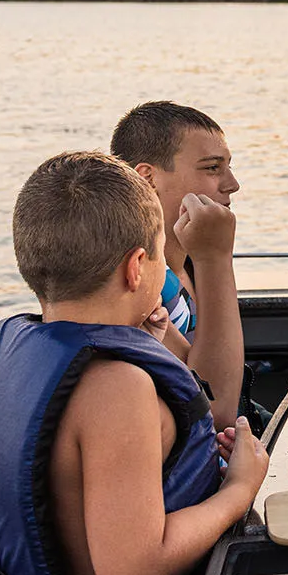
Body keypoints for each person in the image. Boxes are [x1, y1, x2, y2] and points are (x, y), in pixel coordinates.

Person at [0, 152, 266, 575]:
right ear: (137, 266)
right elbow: (135, 572)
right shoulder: (117, 389)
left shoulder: (17, 349)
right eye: (160, 251)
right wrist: (238, 489)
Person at [111, 101, 243, 428]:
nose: (232, 184)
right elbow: (215, 408)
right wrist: (216, 259)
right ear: (147, 178)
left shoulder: (189, 263)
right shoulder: (136, 284)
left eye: (228, 167)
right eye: (212, 168)